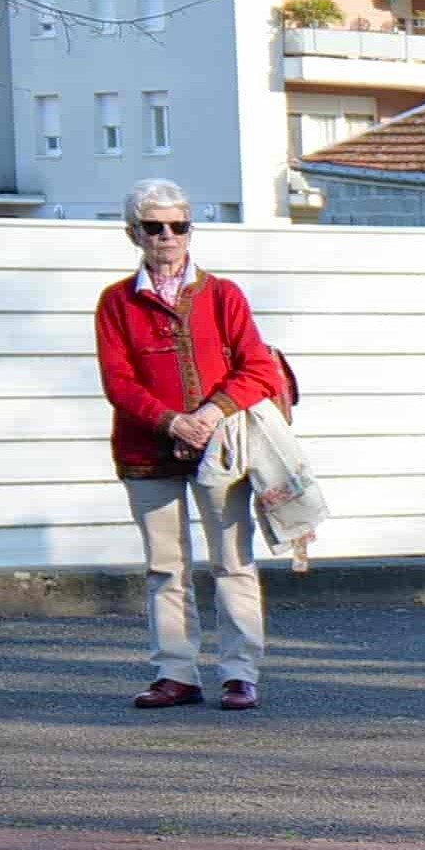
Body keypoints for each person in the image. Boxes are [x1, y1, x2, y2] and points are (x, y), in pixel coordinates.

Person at [94, 180, 294, 713]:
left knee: (232, 560)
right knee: (166, 567)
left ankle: (239, 673)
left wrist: (207, 415)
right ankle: (175, 673)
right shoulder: (116, 301)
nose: (167, 236)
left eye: (177, 226)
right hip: (145, 450)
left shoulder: (223, 294)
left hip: (222, 448)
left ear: (189, 230)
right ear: (133, 233)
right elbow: (118, 381)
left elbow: (256, 368)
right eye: (154, 227)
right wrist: (170, 422)